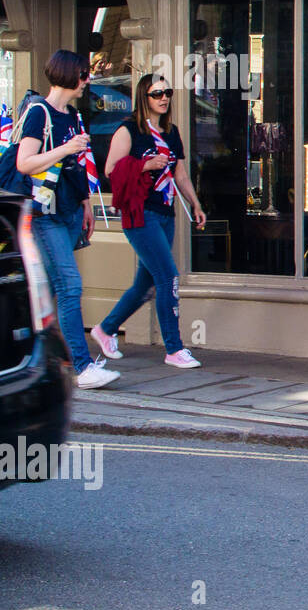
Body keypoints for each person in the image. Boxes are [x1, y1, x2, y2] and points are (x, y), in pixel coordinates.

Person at [15, 50, 118, 389]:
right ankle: (83, 366)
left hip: (71, 210)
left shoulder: (72, 115)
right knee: (69, 286)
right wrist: (66, 148)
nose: (88, 81)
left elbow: (76, 167)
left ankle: (28, 359)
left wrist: (87, 203)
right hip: (46, 216)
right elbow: (25, 163)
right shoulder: (38, 113)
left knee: (39, 290)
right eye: (84, 75)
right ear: (70, 75)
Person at [90, 74, 206, 368]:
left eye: (167, 92)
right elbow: (110, 169)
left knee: (145, 285)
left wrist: (195, 204)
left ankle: (104, 329)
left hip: (166, 213)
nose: (164, 98)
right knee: (168, 277)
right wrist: (144, 165)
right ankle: (174, 348)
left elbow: (180, 174)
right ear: (144, 97)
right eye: (157, 94)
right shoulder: (129, 130)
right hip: (139, 213)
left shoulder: (171, 131)